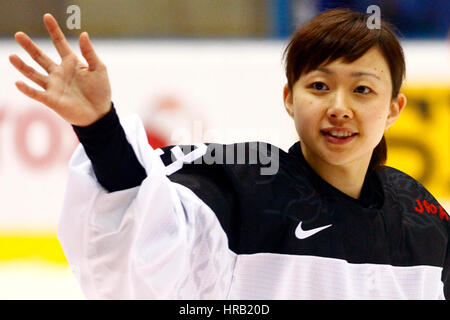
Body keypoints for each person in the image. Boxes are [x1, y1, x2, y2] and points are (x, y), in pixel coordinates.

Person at [9, 9, 449, 299]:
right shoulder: (242, 190)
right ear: (289, 99)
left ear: (394, 109)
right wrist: (101, 129)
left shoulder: (423, 216)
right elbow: (144, 244)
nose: (339, 107)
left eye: (362, 90)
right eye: (319, 85)